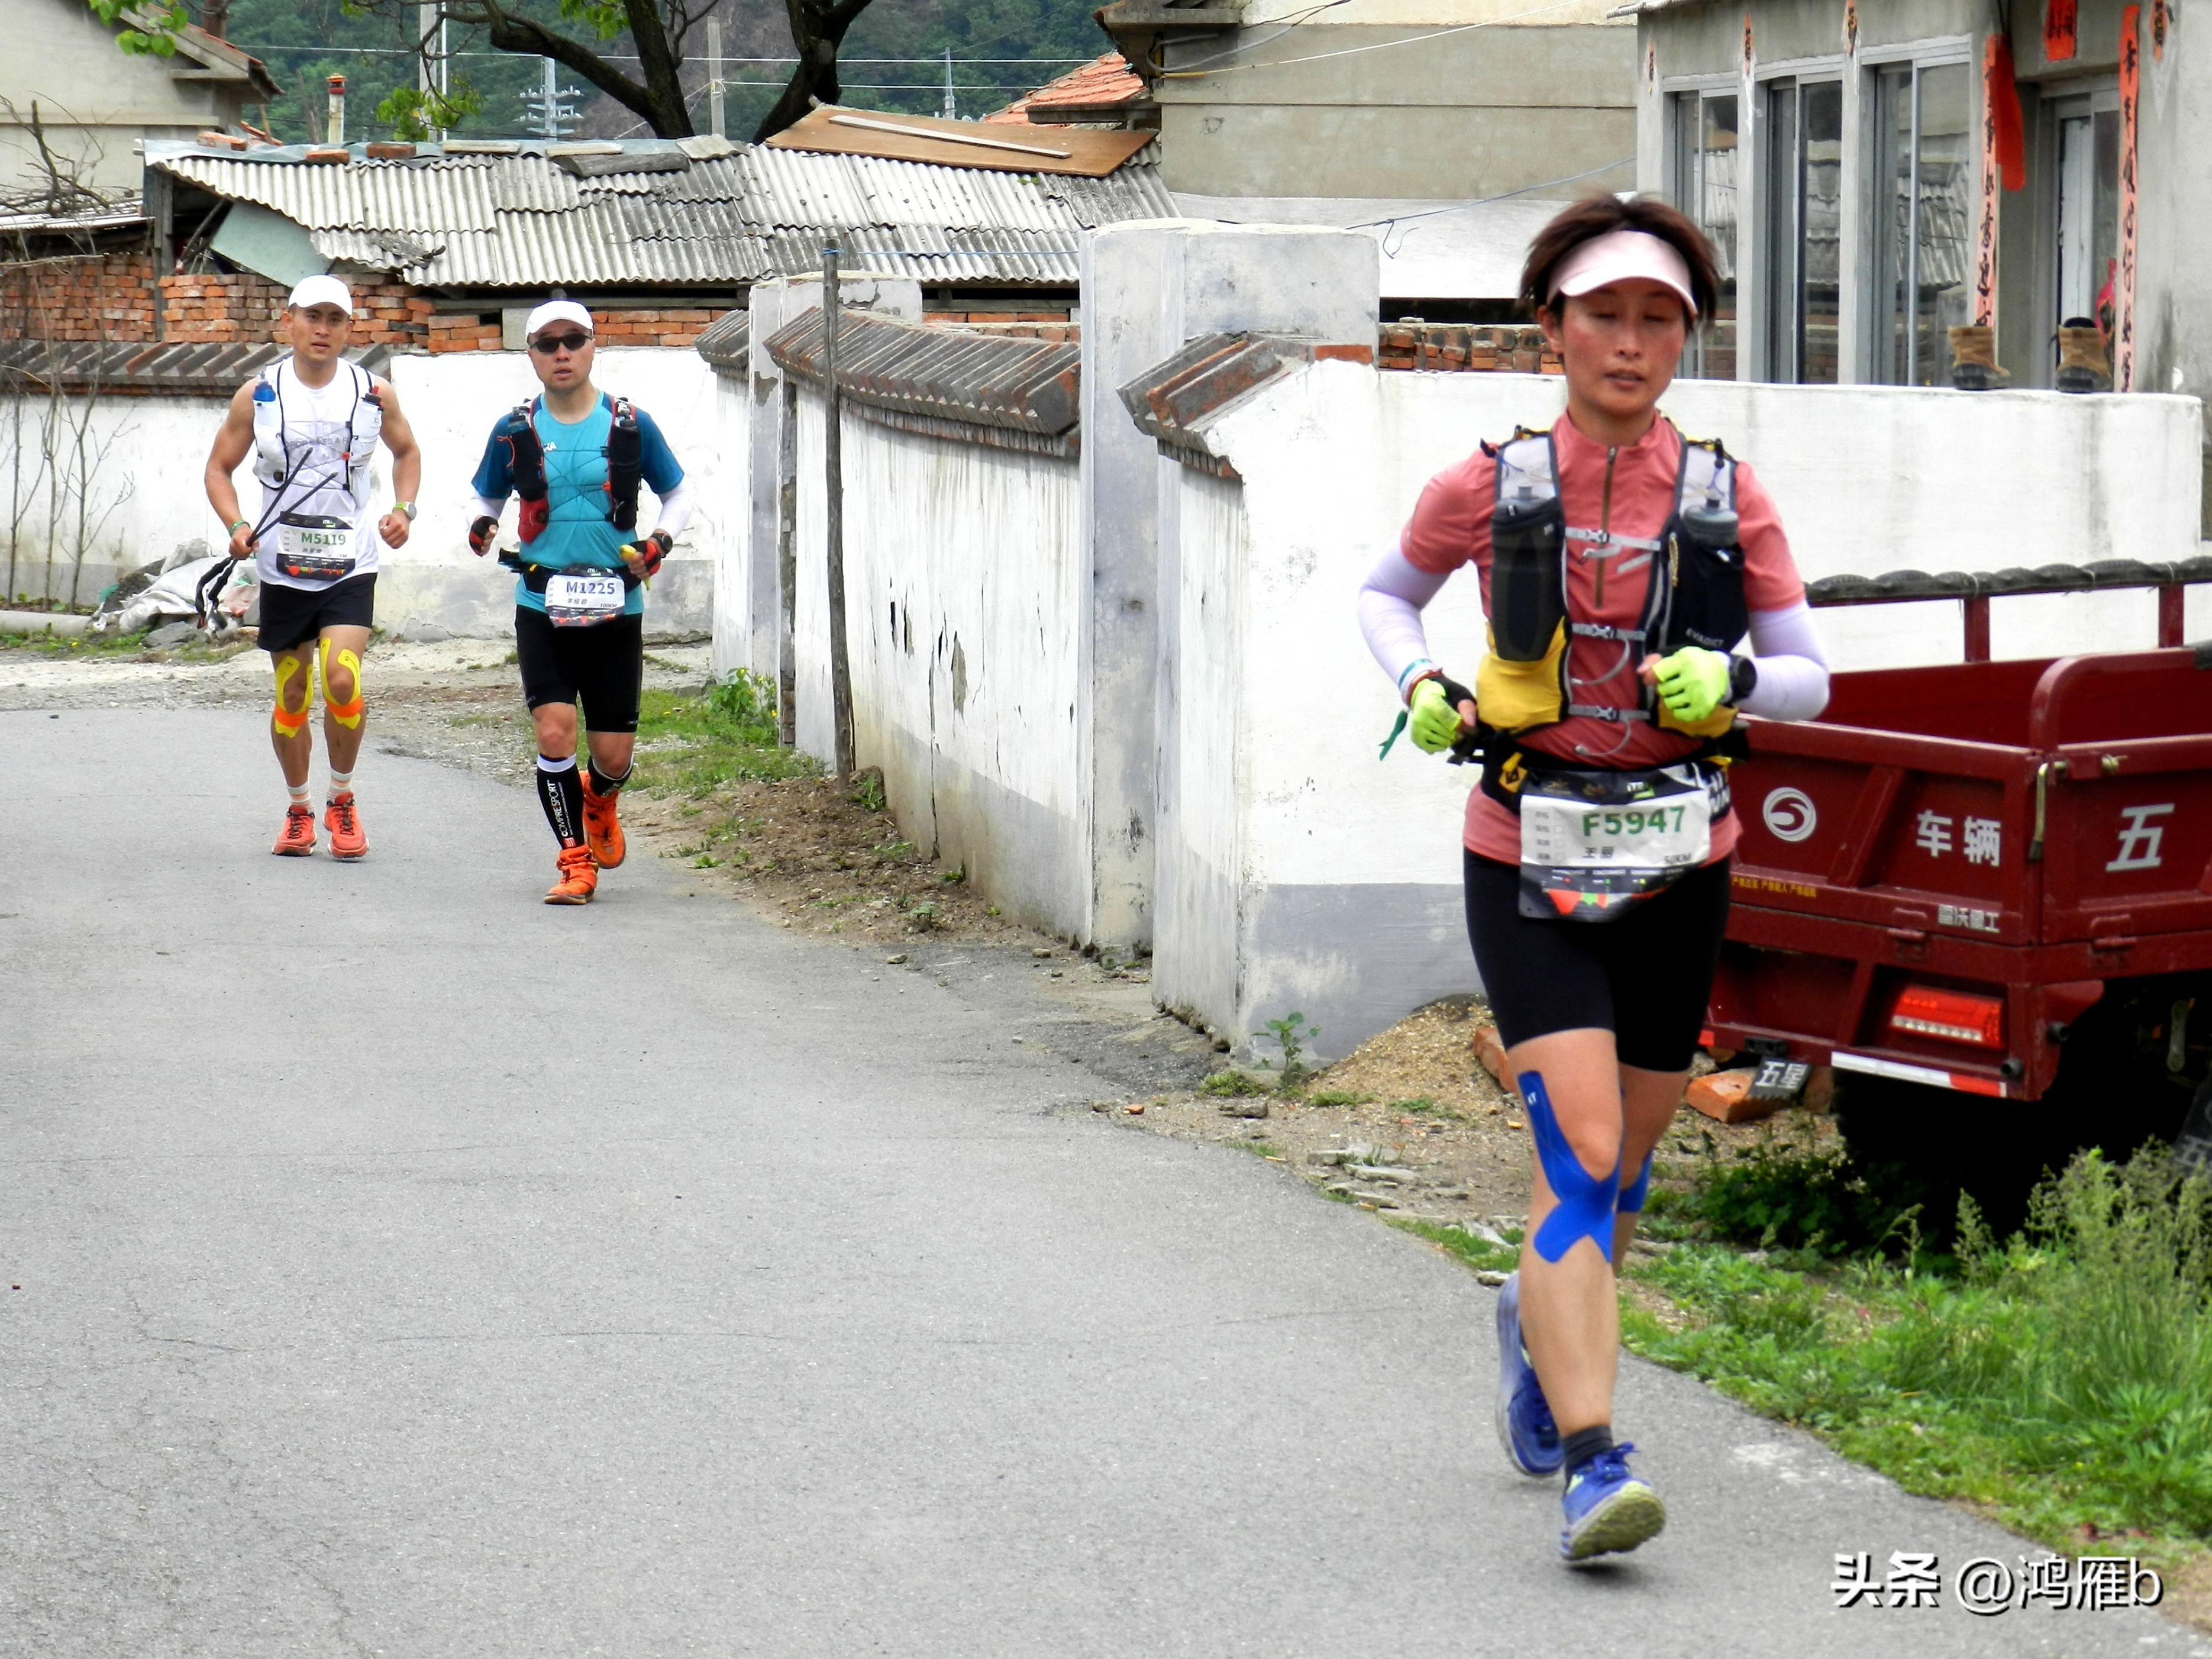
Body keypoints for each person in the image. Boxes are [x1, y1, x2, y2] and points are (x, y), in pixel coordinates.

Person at [1359, 196, 1832, 1562]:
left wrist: (1736, 677)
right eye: (1605, 314)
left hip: (1685, 862)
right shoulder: (1489, 482)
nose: (1631, 342)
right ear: (1552, 328)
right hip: (1527, 852)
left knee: (1622, 1183)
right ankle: (1593, 1460)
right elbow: (1385, 596)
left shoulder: (1726, 493)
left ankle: (1532, 1327)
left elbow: (1811, 668)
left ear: (1686, 332)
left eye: (1660, 318)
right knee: (1582, 1156)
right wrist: (1425, 684)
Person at [466, 299, 693, 904]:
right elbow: (486, 498)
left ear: (593, 346)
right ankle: (574, 861)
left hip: (617, 606)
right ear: (532, 354)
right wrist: (482, 527)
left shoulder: (629, 424)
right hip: (542, 603)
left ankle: (600, 796)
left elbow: (678, 493)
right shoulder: (513, 429)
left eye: (573, 341)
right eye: (547, 344)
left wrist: (659, 540)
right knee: (555, 729)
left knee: (612, 754)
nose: (561, 353)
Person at [205, 274, 421, 858]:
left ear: (349, 328)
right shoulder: (260, 393)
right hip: (282, 567)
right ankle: (299, 808)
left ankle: (342, 800)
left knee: (343, 677)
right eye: (312, 317)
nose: (322, 329)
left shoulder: (374, 393)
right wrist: (235, 526)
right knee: (293, 691)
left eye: (334, 319)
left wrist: (404, 509)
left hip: (350, 562)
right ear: (290, 321)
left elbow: (407, 453)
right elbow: (219, 469)